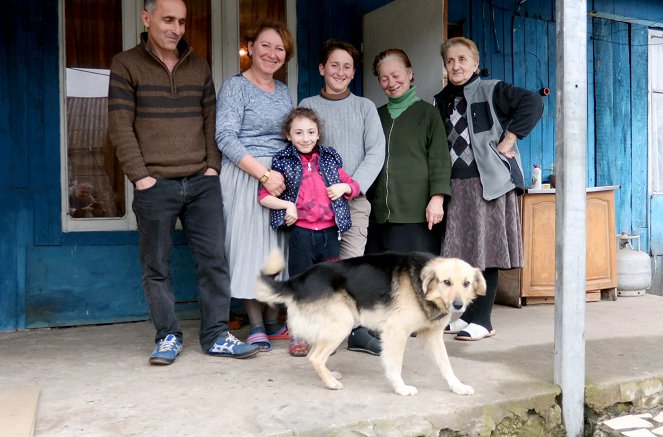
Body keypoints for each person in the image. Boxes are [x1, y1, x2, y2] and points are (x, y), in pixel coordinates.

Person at [108, 0, 259, 365]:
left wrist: (212, 166)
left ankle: (216, 335)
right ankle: (167, 337)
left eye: (182, 21)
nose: (176, 28)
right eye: (168, 20)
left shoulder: (198, 65)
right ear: (147, 19)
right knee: (157, 265)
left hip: (201, 181)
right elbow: (119, 126)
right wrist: (141, 177)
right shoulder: (125, 64)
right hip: (154, 184)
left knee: (214, 261)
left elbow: (210, 120)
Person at [433, 37, 544, 341]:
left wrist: (509, 140)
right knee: (463, 253)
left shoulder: (491, 89)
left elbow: (534, 102)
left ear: (475, 64)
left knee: (487, 252)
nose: (456, 65)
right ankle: (465, 315)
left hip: (489, 183)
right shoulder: (441, 99)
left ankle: (483, 320)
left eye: (462, 59)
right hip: (456, 184)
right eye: (450, 61)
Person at [299, 39, 385, 356]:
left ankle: (357, 331)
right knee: (321, 267)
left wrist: (352, 186)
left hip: (353, 201)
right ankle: (324, 331)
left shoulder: (364, 108)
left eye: (347, 66)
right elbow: (300, 149)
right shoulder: (308, 105)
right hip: (314, 206)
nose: (340, 71)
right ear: (322, 69)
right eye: (334, 65)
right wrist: (316, 191)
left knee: (351, 265)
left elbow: (376, 152)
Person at [215, 20, 295, 352]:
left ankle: (275, 320)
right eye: (266, 45)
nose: (272, 54)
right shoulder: (235, 87)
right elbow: (225, 137)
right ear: (251, 47)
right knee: (249, 250)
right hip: (247, 175)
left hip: (280, 178)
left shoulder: (284, 91)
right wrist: (263, 174)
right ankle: (256, 323)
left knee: (277, 250)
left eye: (279, 48)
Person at [259, 107, 360, 356]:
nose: (305, 138)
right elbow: (264, 197)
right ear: (288, 135)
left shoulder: (328, 159)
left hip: (329, 234)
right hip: (302, 234)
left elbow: (354, 186)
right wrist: (286, 204)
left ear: (318, 135)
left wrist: (343, 187)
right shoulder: (283, 162)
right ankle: (299, 335)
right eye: (299, 132)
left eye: (310, 132)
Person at [367, 49, 451, 255]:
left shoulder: (429, 114)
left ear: (410, 73)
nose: (391, 83)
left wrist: (437, 198)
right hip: (378, 216)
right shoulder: (375, 115)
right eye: (384, 78)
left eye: (396, 76)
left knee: (415, 279)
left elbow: (440, 160)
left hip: (418, 215)